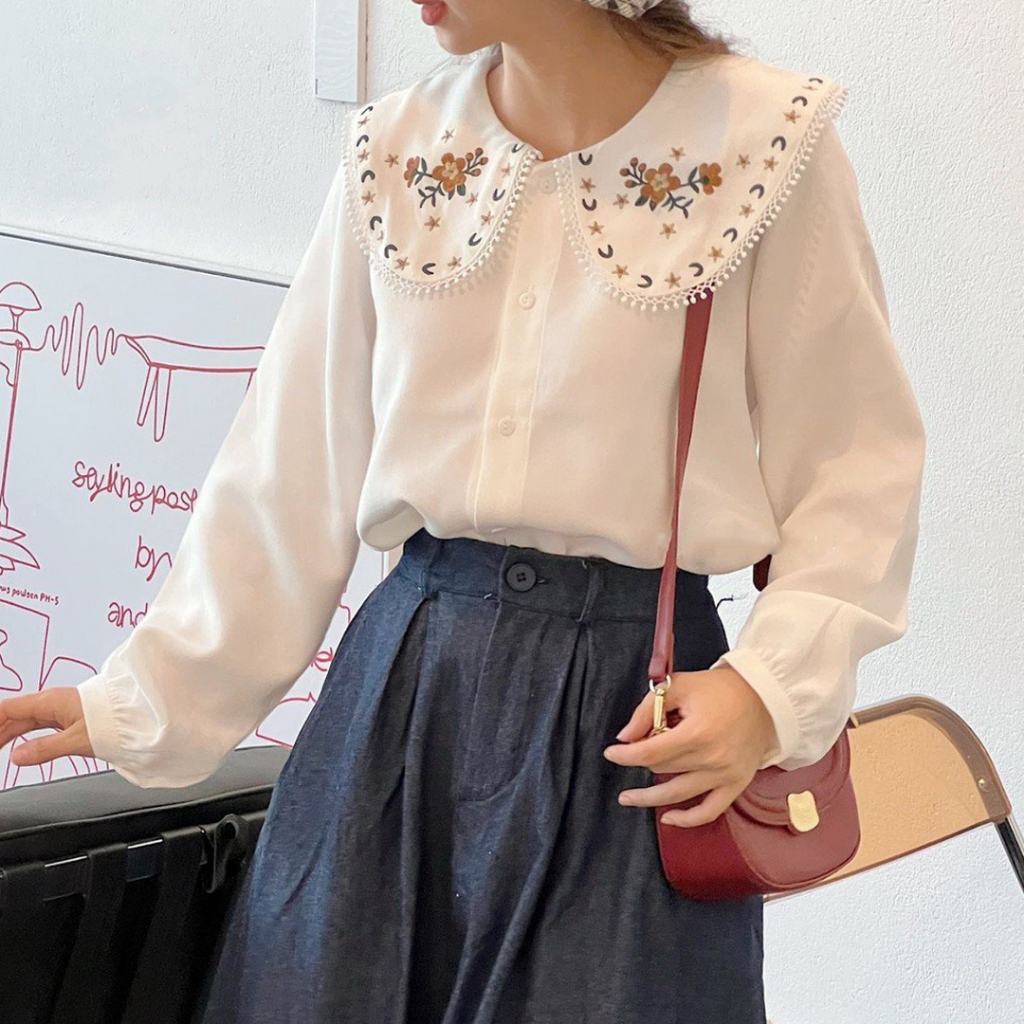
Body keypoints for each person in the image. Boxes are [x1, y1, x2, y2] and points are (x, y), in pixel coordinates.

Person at [0, 1, 927, 1021]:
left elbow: (856, 467)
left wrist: (767, 688)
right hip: (402, 696)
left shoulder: (761, 144)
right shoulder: (399, 150)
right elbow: (286, 467)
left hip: (631, 714)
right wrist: (142, 696)